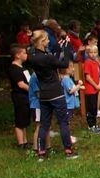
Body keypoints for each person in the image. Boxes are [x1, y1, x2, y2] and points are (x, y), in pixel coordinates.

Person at [26, 29, 78, 160]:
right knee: (63, 123)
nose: (49, 41)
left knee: (44, 124)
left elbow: (51, 58)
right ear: (42, 41)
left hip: (43, 95)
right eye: (47, 39)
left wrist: (59, 48)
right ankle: (68, 150)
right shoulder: (47, 58)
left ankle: (41, 152)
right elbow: (64, 63)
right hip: (56, 93)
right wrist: (66, 48)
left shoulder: (32, 57)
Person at [8, 44, 32, 149]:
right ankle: (20, 143)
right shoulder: (14, 68)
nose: (26, 55)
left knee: (25, 119)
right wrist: (33, 90)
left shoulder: (22, 68)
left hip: (26, 97)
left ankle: (25, 141)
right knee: (20, 120)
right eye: (24, 53)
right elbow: (21, 84)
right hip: (20, 97)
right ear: (17, 55)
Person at [82, 45, 100, 134]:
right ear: (88, 53)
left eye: (95, 52)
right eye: (91, 52)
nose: (93, 54)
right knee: (90, 108)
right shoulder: (88, 62)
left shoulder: (96, 63)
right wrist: (96, 86)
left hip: (95, 89)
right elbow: (88, 77)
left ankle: (94, 124)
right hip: (90, 90)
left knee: (94, 107)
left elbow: (98, 75)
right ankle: (90, 125)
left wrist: (99, 84)